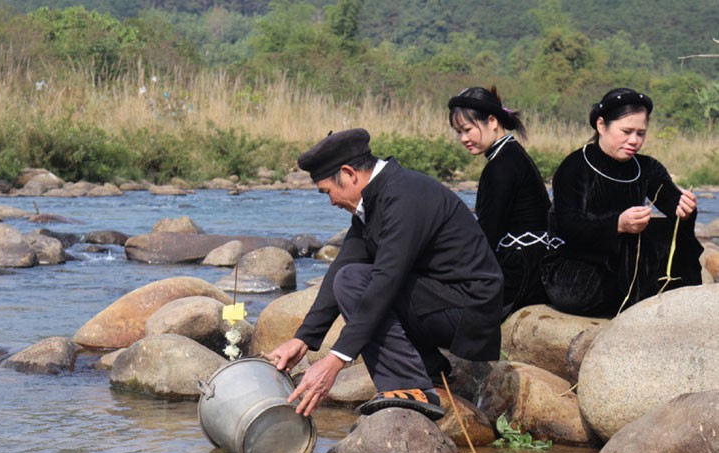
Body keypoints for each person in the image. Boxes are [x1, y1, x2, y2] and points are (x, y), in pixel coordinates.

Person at [268, 128, 504, 421]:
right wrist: (304, 339)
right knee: (348, 276)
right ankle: (426, 369)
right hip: (438, 299)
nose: (331, 202)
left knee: (357, 282)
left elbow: (385, 281)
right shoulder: (376, 197)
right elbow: (342, 267)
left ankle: (410, 387)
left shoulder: (405, 196)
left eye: (328, 192)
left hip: (468, 309)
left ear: (349, 173)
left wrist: (336, 359)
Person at [541, 88, 704, 317]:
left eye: (641, 133)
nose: (634, 141)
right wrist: (617, 224)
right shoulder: (575, 167)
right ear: (601, 125)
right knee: (632, 245)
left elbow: (670, 201)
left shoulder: (646, 167)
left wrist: (685, 210)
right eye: (626, 131)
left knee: (669, 233)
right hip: (578, 269)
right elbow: (569, 227)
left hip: (624, 261)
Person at [448, 86, 551, 318]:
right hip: (533, 264)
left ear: (492, 121)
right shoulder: (511, 154)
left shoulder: (501, 166)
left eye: (467, 130)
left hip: (520, 273)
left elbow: (488, 232)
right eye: (458, 132)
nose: (463, 139)